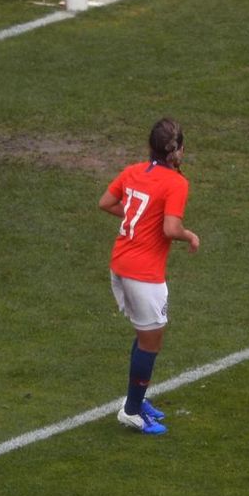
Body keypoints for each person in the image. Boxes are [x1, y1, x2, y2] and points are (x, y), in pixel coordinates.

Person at [99, 118, 199, 435]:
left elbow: (107, 202)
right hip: (144, 274)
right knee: (151, 342)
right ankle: (131, 411)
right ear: (178, 151)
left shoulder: (133, 171)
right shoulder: (177, 183)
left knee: (145, 336)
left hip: (120, 263)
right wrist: (190, 236)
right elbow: (171, 228)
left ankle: (137, 400)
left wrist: (136, 219)